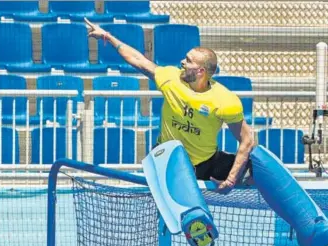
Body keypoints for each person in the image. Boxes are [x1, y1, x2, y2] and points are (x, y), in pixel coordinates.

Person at [85, 18, 255, 193]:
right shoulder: (171, 79)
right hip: (168, 159)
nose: (182, 61)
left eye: (188, 61)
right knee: (170, 204)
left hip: (205, 163)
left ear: (200, 71)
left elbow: (247, 139)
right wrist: (108, 36)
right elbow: (138, 60)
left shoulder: (225, 100)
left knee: (256, 168)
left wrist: (232, 179)